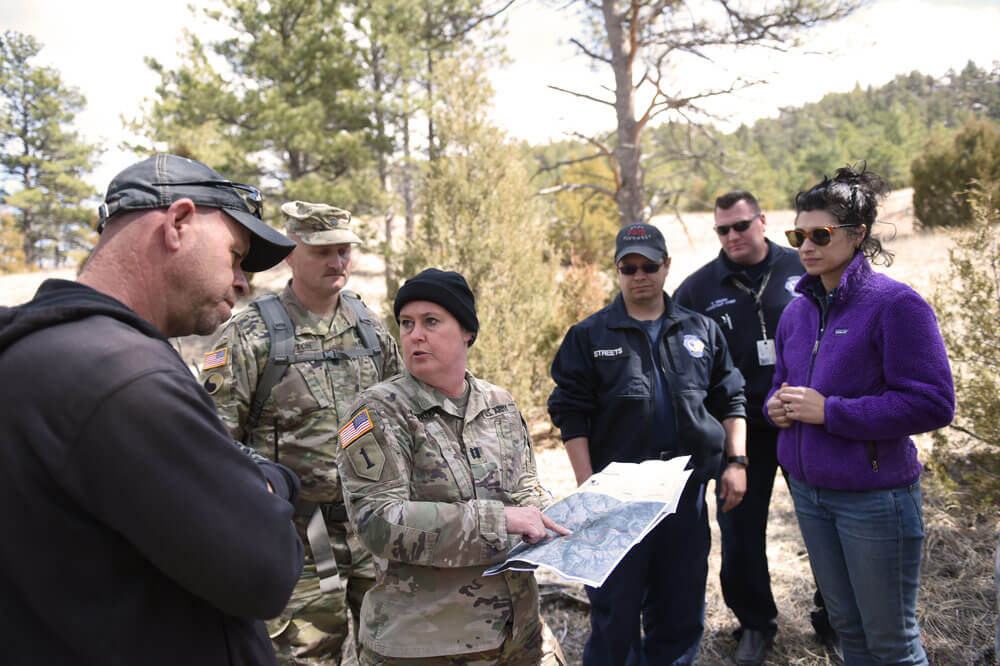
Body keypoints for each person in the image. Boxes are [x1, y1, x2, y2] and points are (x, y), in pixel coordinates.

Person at [0, 153, 304, 665]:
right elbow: (266, 568)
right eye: (235, 254)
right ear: (179, 223)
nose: (242, 282)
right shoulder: (120, 376)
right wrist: (272, 483)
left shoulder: (38, 353)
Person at [765, 165, 955, 665]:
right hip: (809, 495)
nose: (806, 245)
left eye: (820, 234)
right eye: (798, 235)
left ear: (857, 235)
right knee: (847, 631)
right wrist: (777, 408)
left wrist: (830, 412)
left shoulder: (896, 305)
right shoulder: (796, 312)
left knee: (891, 642)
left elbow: (933, 402)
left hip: (874, 501)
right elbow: (780, 385)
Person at [202, 200, 403, 664]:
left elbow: (402, 415)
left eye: (344, 251)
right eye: (322, 251)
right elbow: (214, 443)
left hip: (374, 530)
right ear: (291, 252)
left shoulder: (370, 328)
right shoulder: (252, 336)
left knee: (402, 651)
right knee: (303, 657)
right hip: (299, 539)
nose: (337, 262)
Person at [336, 268, 570, 665]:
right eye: (406, 324)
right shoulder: (377, 411)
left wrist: (554, 518)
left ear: (467, 332)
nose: (415, 335)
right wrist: (502, 520)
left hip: (521, 633)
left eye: (431, 321)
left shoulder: (498, 403)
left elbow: (526, 487)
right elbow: (378, 521)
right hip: (429, 643)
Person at [548, 223, 748, 666]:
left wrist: (737, 461)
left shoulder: (702, 330)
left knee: (679, 611)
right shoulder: (589, 335)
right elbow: (570, 412)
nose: (640, 275)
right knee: (614, 615)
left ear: (666, 266)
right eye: (629, 267)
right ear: (617, 272)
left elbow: (731, 397)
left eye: (649, 265)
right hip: (616, 502)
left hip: (685, 497)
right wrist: (588, 487)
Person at [673, 191, 805, 664]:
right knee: (740, 531)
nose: (732, 236)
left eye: (741, 226)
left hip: (805, 420)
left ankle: (837, 617)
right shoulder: (698, 289)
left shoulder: (802, 267)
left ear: (763, 222)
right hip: (740, 427)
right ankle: (754, 624)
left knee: (826, 525)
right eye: (722, 230)